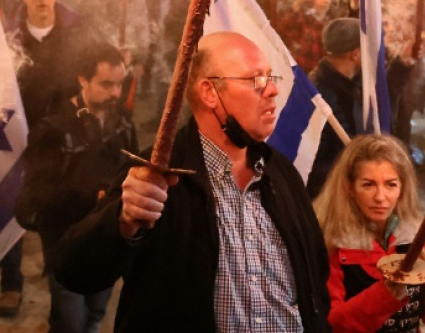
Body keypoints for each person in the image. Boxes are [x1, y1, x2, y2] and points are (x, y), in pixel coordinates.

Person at [55, 32, 331, 331]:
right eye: (256, 79)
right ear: (210, 92)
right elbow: (75, 271)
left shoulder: (282, 174)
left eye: (270, 76)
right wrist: (122, 220)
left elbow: (314, 280)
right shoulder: (158, 176)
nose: (273, 90)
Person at [16, 44, 136, 332]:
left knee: (96, 314)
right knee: (69, 321)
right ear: (83, 79)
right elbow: (35, 196)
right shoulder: (54, 129)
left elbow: (129, 170)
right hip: (66, 242)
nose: (116, 94)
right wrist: (87, 196)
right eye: (106, 84)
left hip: (107, 238)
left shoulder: (122, 124)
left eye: (120, 84)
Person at [314, 135, 425, 333]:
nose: (380, 197)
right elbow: (331, 324)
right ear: (349, 187)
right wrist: (384, 296)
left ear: (402, 187)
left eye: (390, 184)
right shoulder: (331, 242)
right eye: (368, 184)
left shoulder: (412, 234)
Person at [307, 18, 363, 199]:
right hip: (332, 196)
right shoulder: (321, 96)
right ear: (355, 55)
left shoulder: (349, 82)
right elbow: (316, 162)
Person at [278, 0, 334, 72]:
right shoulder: (302, 19)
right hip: (303, 73)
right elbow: (285, 29)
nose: (326, 0)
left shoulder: (333, 22)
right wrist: (298, 3)